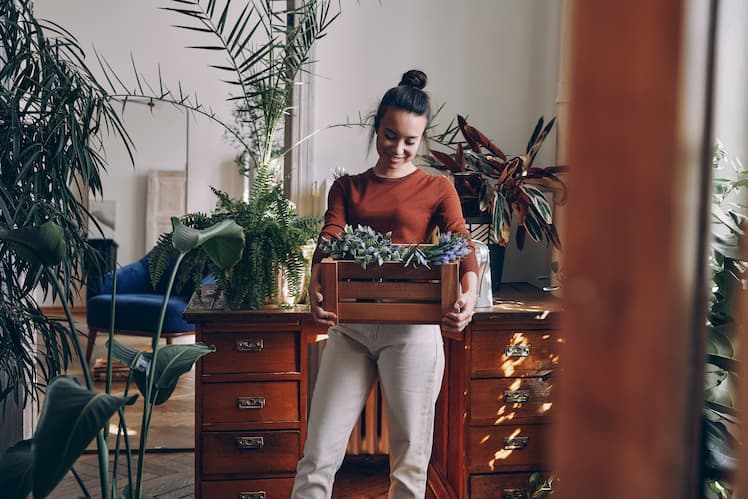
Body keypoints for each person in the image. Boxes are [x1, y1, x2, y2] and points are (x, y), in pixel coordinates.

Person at [291, 69, 478, 499]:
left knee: (410, 462)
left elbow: (462, 247)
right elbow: (328, 241)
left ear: (423, 139)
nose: (398, 148)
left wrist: (465, 298)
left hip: (413, 332)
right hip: (350, 328)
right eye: (390, 135)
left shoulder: (437, 187)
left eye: (410, 140)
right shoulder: (347, 187)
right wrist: (316, 290)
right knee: (318, 453)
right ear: (377, 129)